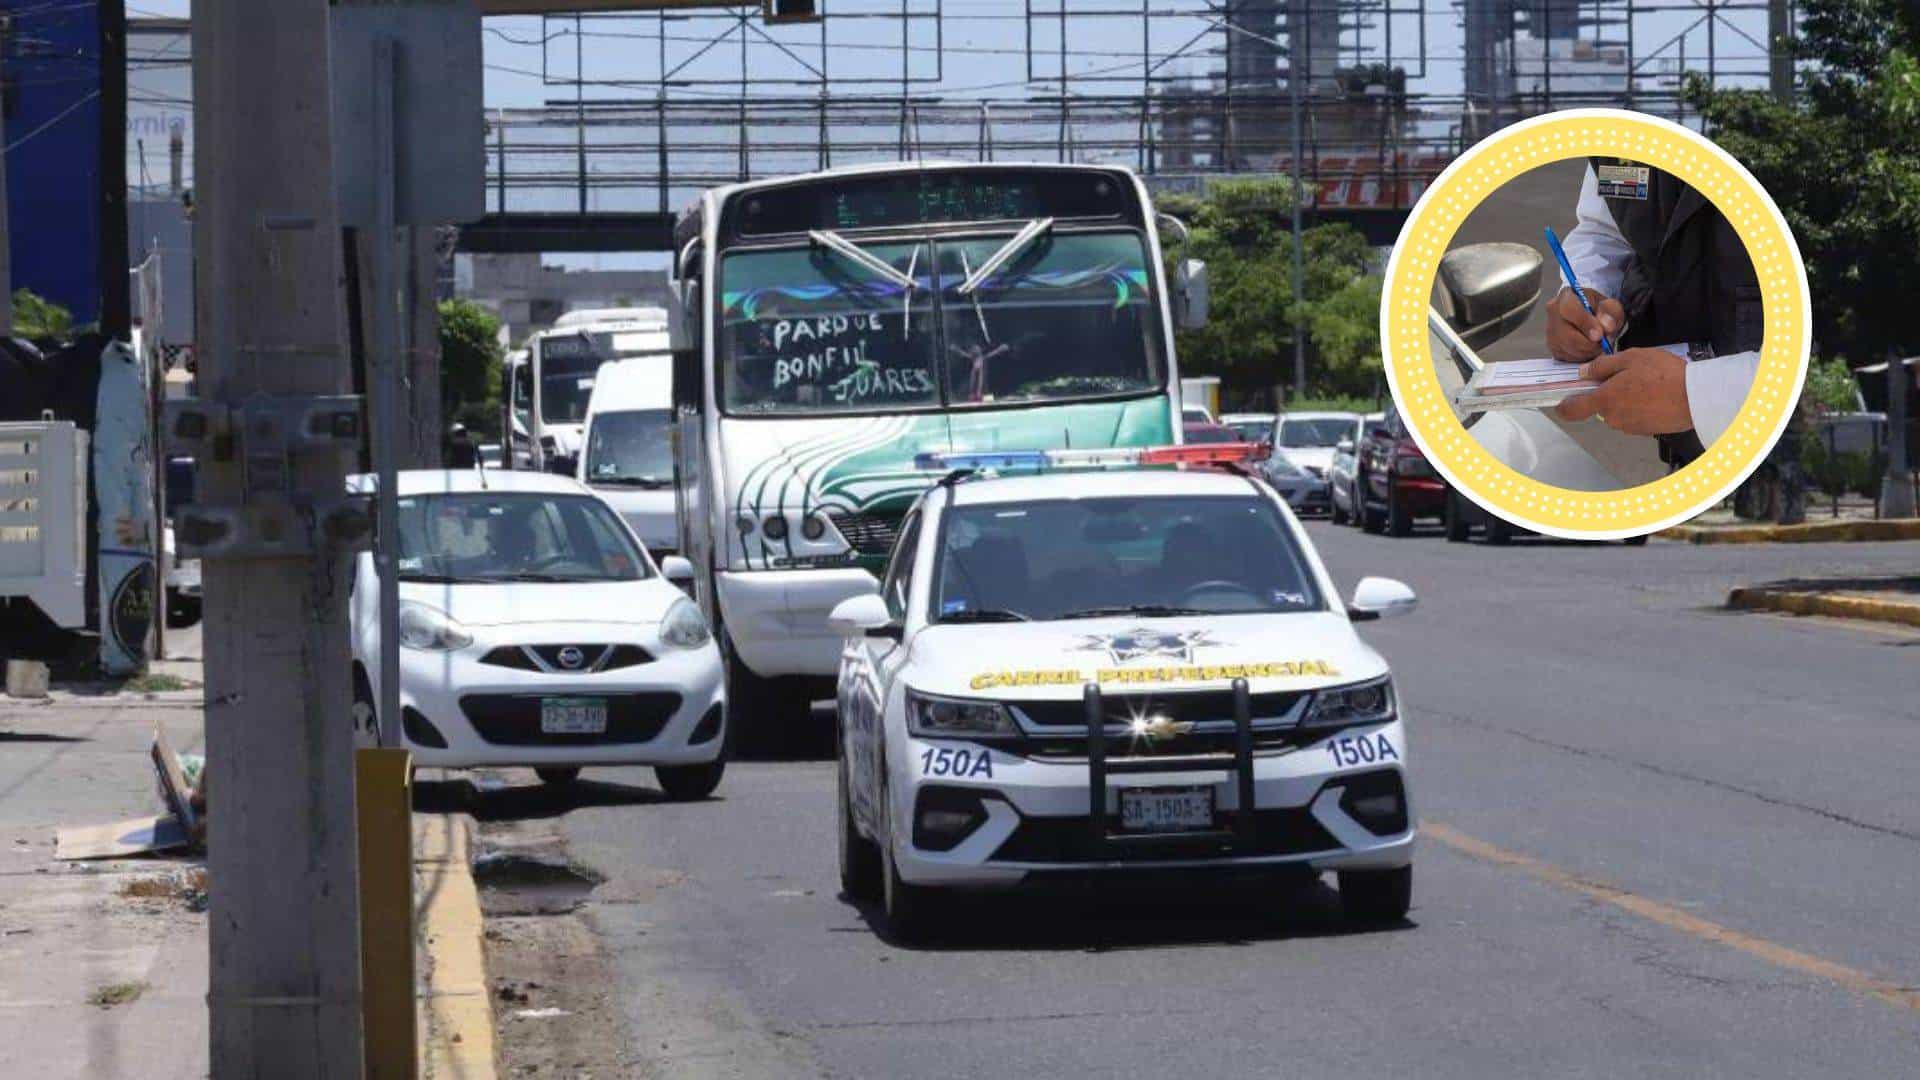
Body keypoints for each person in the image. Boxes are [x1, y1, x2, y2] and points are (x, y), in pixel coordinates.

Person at [1544, 160, 1763, 454]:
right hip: (1684, 448)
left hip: (1773, 445)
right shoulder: (1617, 132)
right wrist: (1589, 287)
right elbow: (1607, 228)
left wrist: (1703, 394)